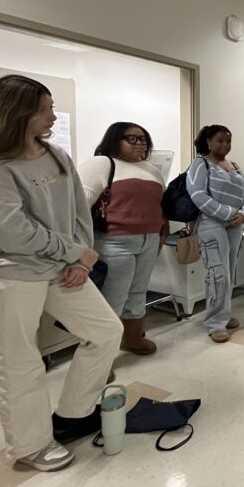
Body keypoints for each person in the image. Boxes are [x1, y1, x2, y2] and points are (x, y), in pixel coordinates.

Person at [0, 74, 122, 472]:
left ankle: (71, 415)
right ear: (18, 113)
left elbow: (78, 212)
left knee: (105, 331)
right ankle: (30, 446)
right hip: (11, 274)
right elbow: (13, 233)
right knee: (19, 361)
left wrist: (81, 259)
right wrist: (72, 251)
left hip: (60, 268)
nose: (52, 115)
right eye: (45, 109)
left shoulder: (57, 155)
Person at [79, 122, 167, 356]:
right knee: (111, 299)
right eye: (132, 139)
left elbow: (158, 206)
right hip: (113, 241)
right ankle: (98, 359)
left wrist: (159, 235)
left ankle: (132, 338)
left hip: (148, 240)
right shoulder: (101, 164)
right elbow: (78, 208)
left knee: (138, 293)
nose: (140, 143)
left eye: (144, 139)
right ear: (114, 140)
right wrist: (79, 248)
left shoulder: (152, 170)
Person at [188, 125, 244, 342]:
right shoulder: (200, 164)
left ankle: (224, 313)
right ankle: (215, 323)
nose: (225, 145)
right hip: (211, 223)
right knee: (218, 273)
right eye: (219, 141)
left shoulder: (234, 166)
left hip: (235, 224)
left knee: (229, 271)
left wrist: (243, 214)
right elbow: (197, 195)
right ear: (208, 142)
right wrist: (227, 213)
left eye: (228, 141)